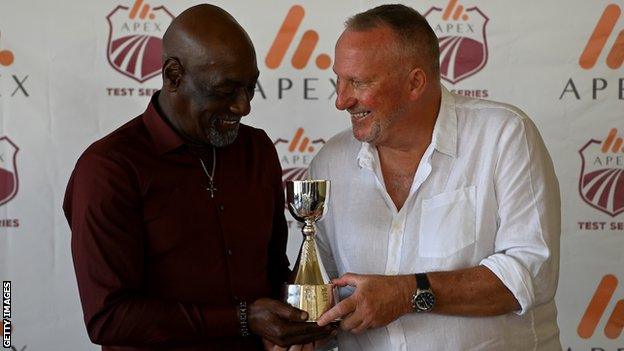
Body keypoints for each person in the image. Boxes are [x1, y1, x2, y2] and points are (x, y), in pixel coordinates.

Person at [63, 4, 334, 351]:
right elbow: (109, 318)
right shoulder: (109, 169)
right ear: (173, 75)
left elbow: (273, 271)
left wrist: (303, 318)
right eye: (224, 90)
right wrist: (242, 318)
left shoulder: (257, 150)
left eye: (250, 88)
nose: (243, 106)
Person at [310, 4, 561, 350]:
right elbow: (324, 292)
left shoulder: (505, 136)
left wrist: (406, 294)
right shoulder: (328, 163)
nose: (341, 100)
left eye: (359, 82)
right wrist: (303, 333)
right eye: (338, 79)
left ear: (415, 82)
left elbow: (532, 273)